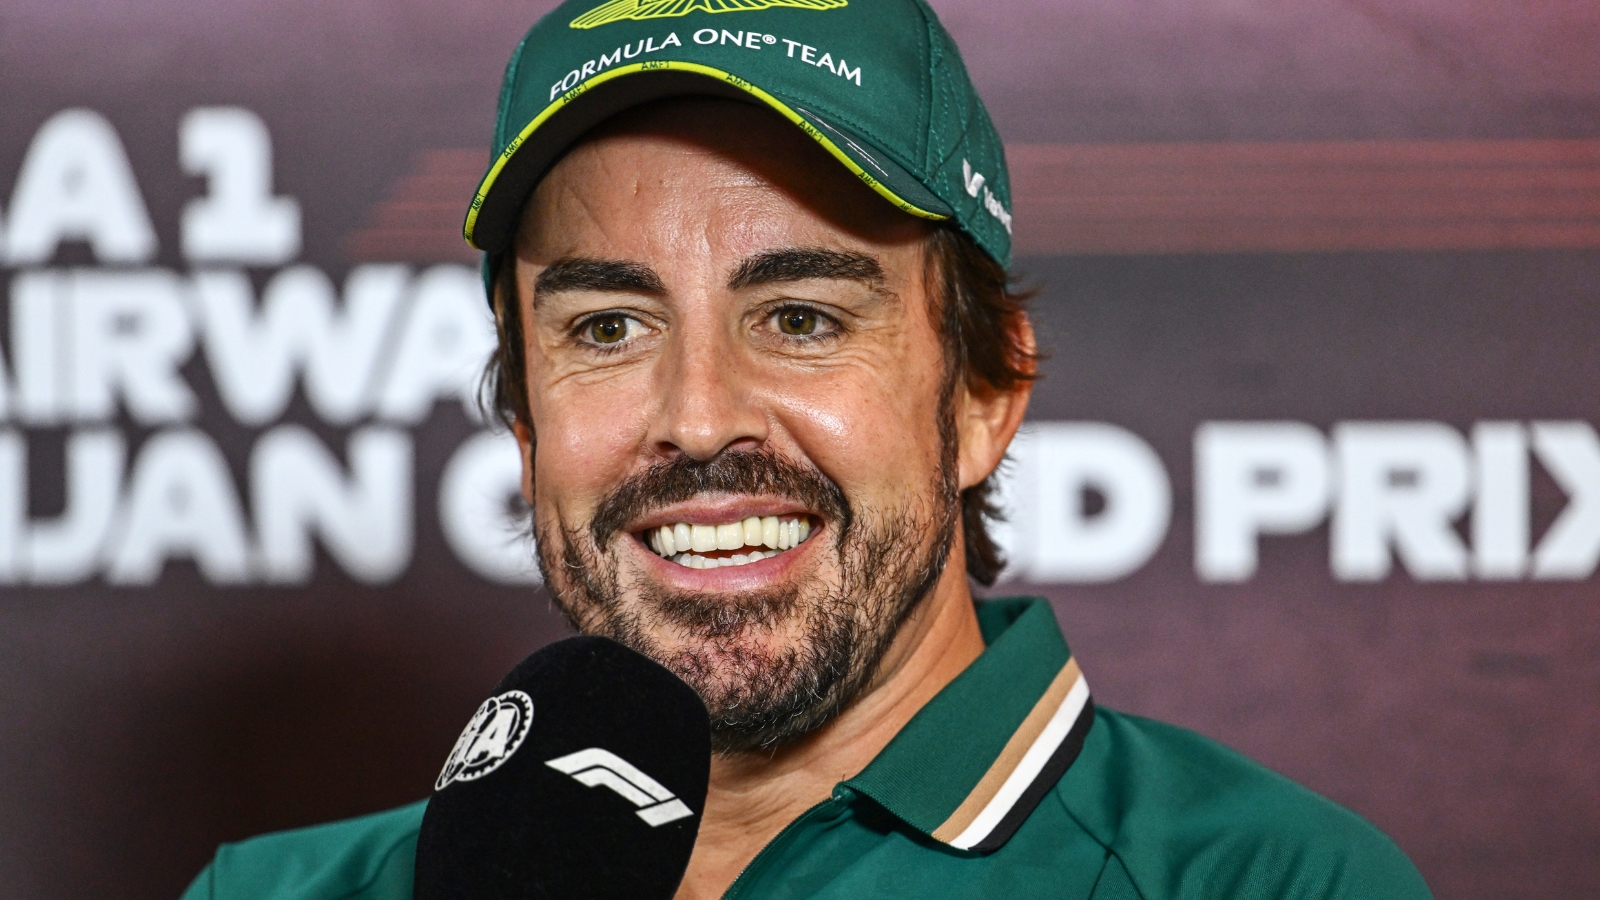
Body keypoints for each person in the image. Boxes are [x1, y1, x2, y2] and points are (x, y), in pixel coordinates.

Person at [182, 0, 1434, 897]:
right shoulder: (281, 890)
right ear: (525, 423)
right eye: (608, 327)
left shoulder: (1265, 880)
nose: (698, 416)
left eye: (800, 318)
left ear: (984, 395)